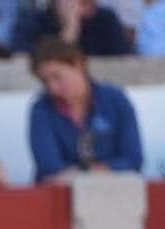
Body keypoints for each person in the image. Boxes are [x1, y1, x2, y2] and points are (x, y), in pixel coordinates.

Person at [27, 35, 143, 182]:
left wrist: (85, 171)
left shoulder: (115, 99)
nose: (52, 87)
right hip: (60, 197)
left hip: (114, 192)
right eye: (45, 81)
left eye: (57, 77)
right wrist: (103, 169)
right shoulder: (41, 109)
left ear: (78, 64)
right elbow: (49, 168)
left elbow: (133, 159)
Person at [8, 0, 133, 55]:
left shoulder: (106, 18)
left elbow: (126, 61)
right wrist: (69, 32)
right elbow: (20, 64)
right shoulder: (34, 21)